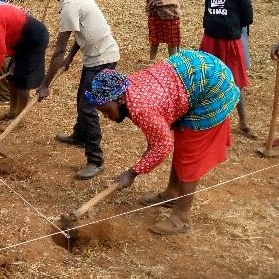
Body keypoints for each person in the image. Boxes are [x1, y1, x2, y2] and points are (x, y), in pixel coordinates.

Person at [87, 49, 239, 235]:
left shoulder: (141, 108)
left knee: (190, 154)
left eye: (106, 109)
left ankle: (181, 218)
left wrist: (132, 173)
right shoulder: (129, 89)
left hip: (214, 88)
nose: (106, 116)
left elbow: (163, 146)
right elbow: (158, 138)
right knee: (182, 144)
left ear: (119, 98)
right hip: (194, 76)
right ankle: (172, 194)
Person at [38, 0, 120, 179]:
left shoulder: (70, 4)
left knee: (88, 107)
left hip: (103, 58)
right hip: (95, 55)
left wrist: (45, 85)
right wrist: (71, 58)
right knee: (81, 100)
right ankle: (80, 135)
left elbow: (58, 49)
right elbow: (80, 31)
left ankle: (96, 160)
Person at [199, 0, 255, 138]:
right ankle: (210, 119)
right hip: (210, 40)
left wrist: (231, 28)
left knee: (235, 81)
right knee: (209, 79)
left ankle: (243, 122)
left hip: (230, 42)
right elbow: (207, 14)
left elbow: (247, 17)